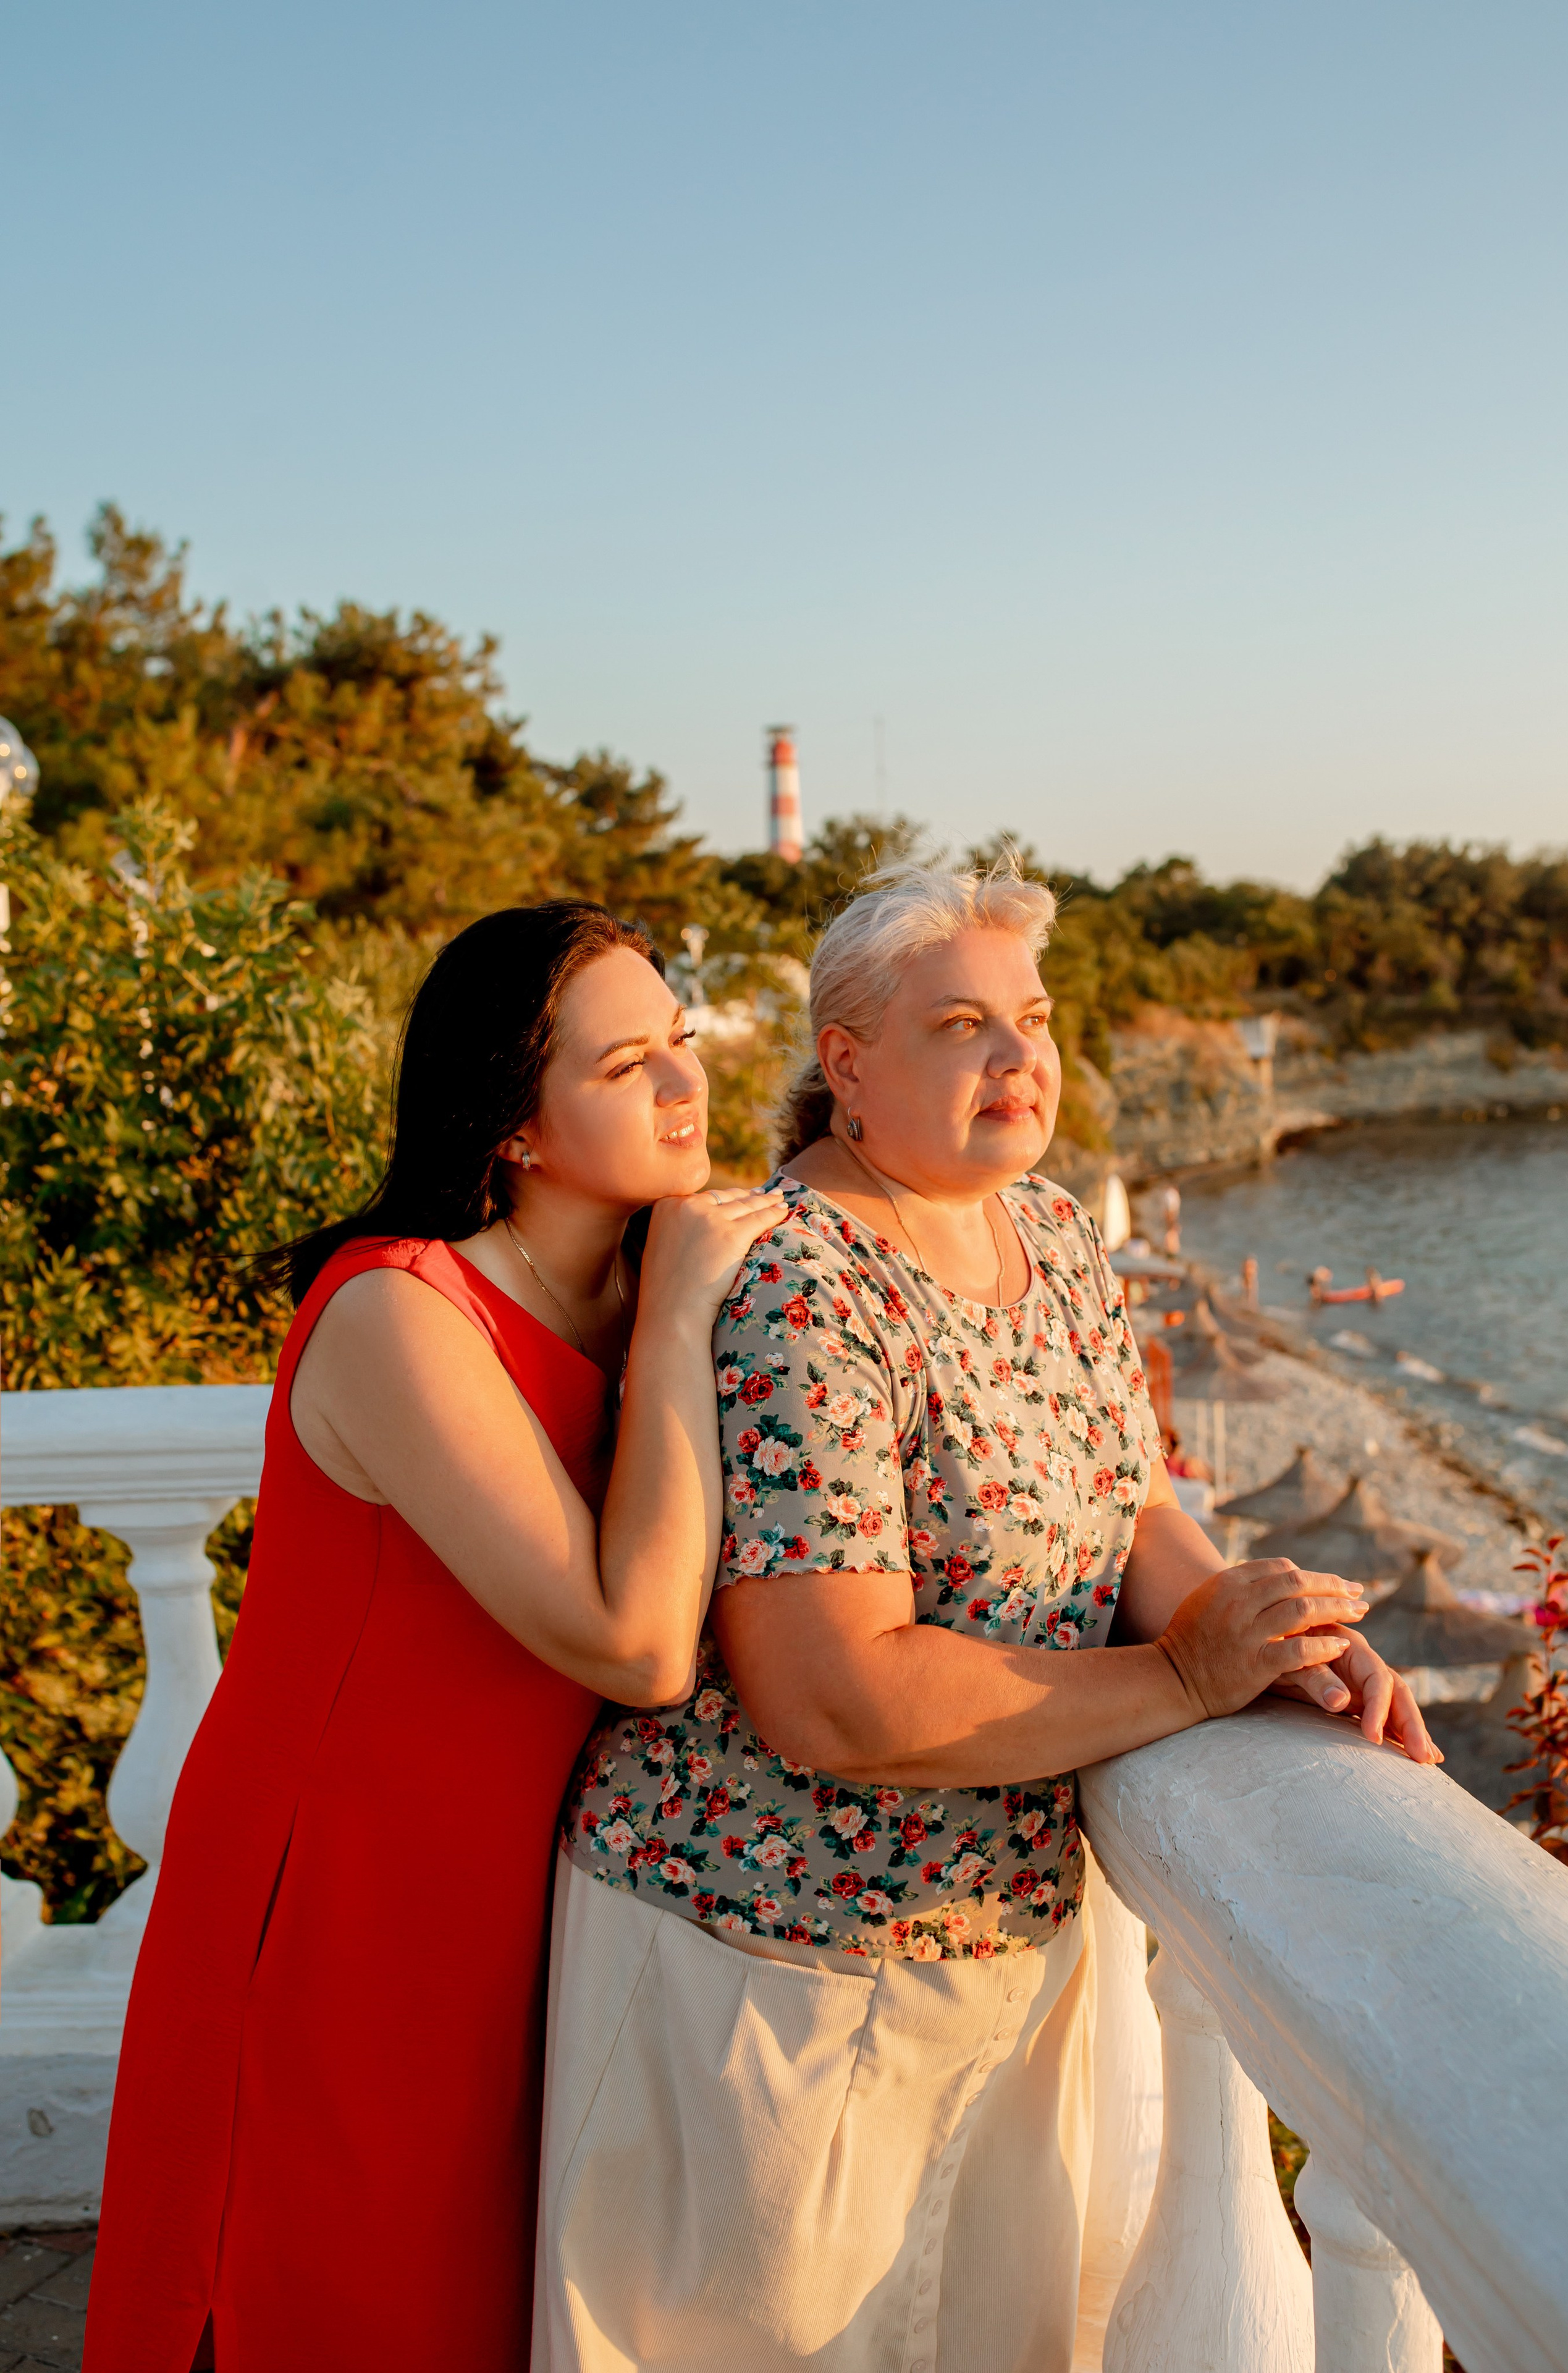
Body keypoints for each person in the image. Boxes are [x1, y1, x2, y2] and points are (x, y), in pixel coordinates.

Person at [538, 857, 1438, 2373]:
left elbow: (1128, 1496)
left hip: (1005, 1960)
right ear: (846, 1066)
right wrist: (1181, 1674)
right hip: (774, 1983)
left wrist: (1263, 1628)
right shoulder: (796, 1285)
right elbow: (832, 1696)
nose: (1020, 1056)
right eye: (961, 1024)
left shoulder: (1056, 1237)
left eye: (1030, 1016)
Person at [84, 902, 786, 2373]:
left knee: (480, 2302)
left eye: (683, 1042)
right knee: (324, 2295)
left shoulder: (647, 1284)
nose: (682, 1087)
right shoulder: (402, 1313)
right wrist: (671, 1331)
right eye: (623, 1066)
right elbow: (633, 1643)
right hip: (339, 1903)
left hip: (532, 1895)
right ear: (514, 1125)